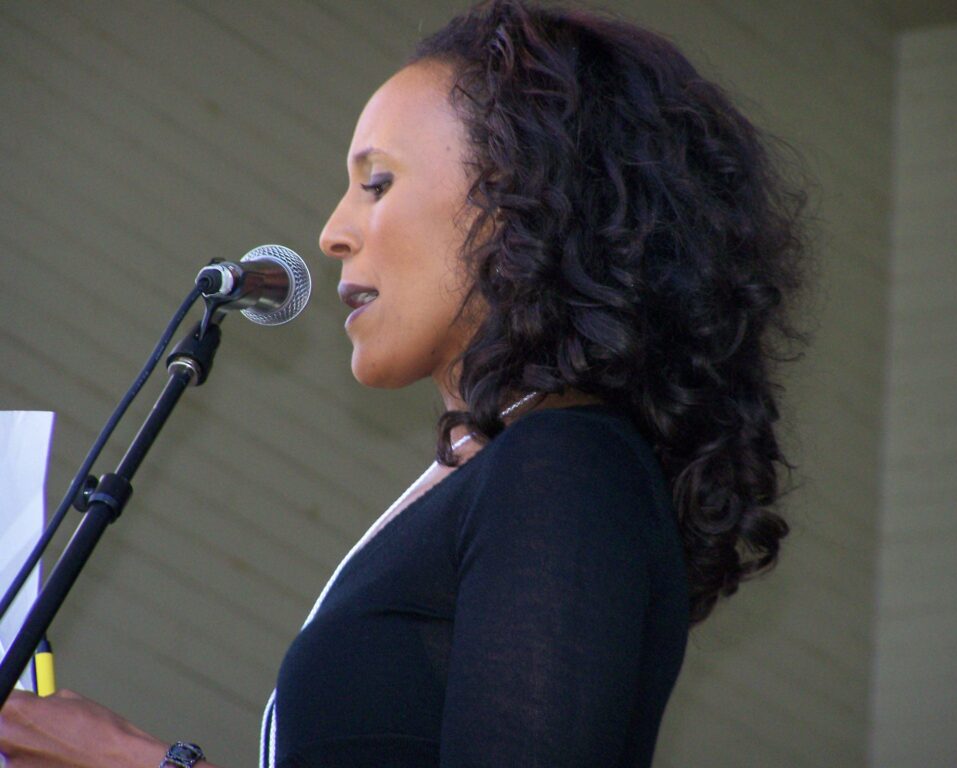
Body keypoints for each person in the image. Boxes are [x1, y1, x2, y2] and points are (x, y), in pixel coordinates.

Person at [0, 0, 816, 766]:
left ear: (524, 201)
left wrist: (133, 760)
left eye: (378, 183)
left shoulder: (565, 466)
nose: (332, 232)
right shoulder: (507, 469)